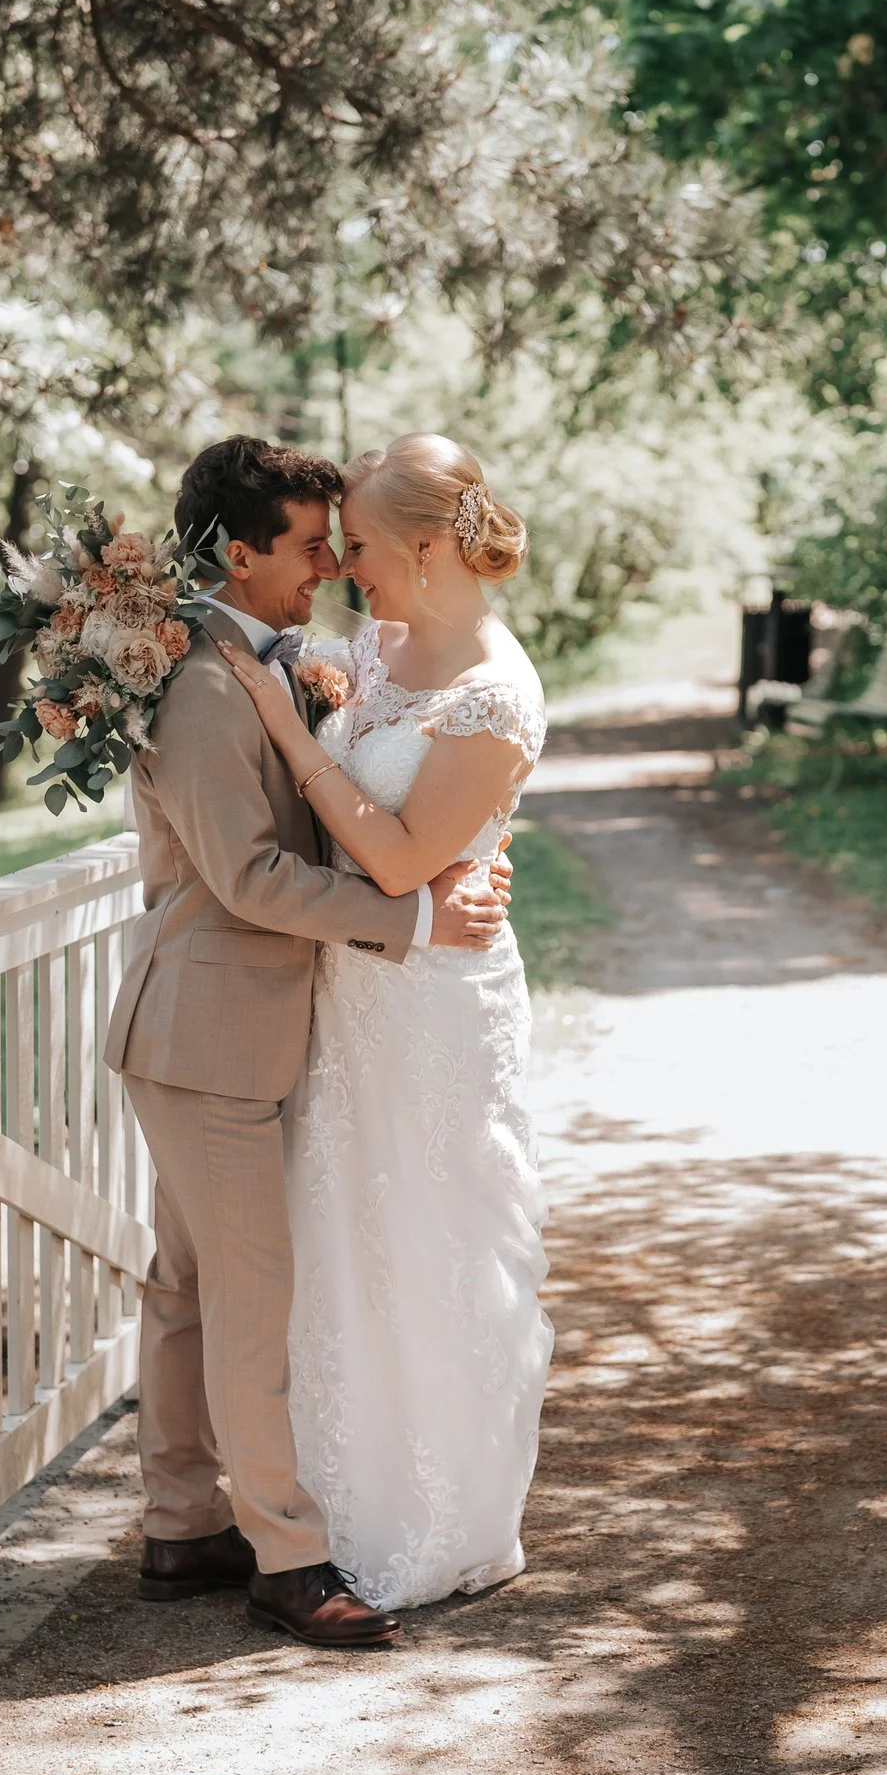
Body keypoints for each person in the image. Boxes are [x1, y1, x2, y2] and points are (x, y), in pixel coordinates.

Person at [102, 435, 510, 1648]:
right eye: (307, 544)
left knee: (185, 1290)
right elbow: (245, 877)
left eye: (340, 542)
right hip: (210, 1034)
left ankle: (182, 1528)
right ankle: (286, 1554)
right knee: (249, 1300)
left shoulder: (257, 664)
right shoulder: (201, 687)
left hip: (211, 1032)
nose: (330, 564)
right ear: (239, 552)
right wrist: (414, 916)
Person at [217, 431, 553, 1611]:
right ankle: (331, 1502)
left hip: (436, 1000)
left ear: (423, 545)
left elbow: (408, 857)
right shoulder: (376, 645)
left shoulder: (497, 692)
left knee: (433, 1233)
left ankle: (438, 1520)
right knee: (340, 1235)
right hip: (352, 989)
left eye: (356, 545)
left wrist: (292, 733)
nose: (345, 566)